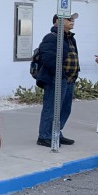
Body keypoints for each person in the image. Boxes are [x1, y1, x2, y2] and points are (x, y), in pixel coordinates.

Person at [35, 13, 80, 147]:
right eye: (69, 19)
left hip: (69, 80)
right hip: (56, 79)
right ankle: (44, 136)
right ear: (58, 21)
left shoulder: (71, 38)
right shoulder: (51, 37)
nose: (72, 21)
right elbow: (48, 58)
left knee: (65, 108)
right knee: (51, 108)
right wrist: (60, 75)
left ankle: (56, 134)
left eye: (73, 19)